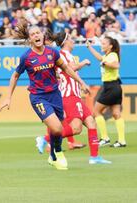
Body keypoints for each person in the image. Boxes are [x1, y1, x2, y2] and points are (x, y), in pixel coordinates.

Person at [0, 20, 90, 170]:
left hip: (55, 95)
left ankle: (52, 156)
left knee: (57, 129)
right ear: (30, 39)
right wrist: (9, 97)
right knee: (57, 128)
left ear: (42, 35)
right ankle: (59, 154)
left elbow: (66, 68)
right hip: (38, 97)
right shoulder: (26, 57)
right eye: (33, 34)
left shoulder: (52, 52)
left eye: (38, 33)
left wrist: (81, 82)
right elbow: (15, 76)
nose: (36, 35)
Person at [35, 32, 111, 164]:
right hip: (69, 96)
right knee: (76, 128)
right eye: (70, 38)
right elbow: (68, 69)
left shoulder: (69, 55)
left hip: (75, 95)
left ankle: (94, 157)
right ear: (65, 42)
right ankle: (45, 139)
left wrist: (82, 84)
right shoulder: (62, 55)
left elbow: (71, 73)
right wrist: (82, 63)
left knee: (91, 122)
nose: (73, 40)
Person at [86, 36, 125, 148]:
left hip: (110, 87)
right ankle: (121, 141)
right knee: (116, 113)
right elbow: (100, 58)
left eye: (103, 44)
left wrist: (106, 64)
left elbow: (116, 65)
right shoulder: (107, 56)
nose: (101, 45)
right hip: (116, 86)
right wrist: (90, 47)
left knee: (96, 111)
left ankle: (105, 138)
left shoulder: (112, 55)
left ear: (110, 46)